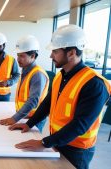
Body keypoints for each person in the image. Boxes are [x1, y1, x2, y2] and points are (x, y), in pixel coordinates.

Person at [9, 25, 111, 169]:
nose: (51, 56)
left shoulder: (94, 84)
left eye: (55, 51)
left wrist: (44, 143)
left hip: (77, 150)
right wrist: (29, 123)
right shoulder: (61, 76)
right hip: (58, 141)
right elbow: (47, 104)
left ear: (71, 53)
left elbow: (80, 124)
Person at [0, 35, 49, 132]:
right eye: (18, 55)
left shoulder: (37, 74)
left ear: (33, 56)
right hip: (24, 116)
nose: (18, 59)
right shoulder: (26, 70)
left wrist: (14, 118)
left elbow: (33, 101)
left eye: (22, 56)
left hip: (33, 119)